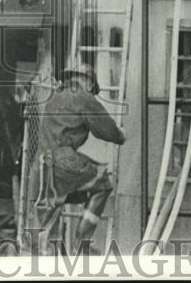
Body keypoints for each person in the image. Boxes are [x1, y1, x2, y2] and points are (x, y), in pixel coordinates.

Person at [36, 62, 126, 251]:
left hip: (43, 165)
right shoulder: (83, 97)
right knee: (102, 184)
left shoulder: (55, 96)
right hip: (64, 162)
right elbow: (106, 130)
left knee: (53, 208)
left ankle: (43, 259)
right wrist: (120, 135)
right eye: (92, 88)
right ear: (88, 82)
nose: (91, 91)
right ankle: (81, 244)